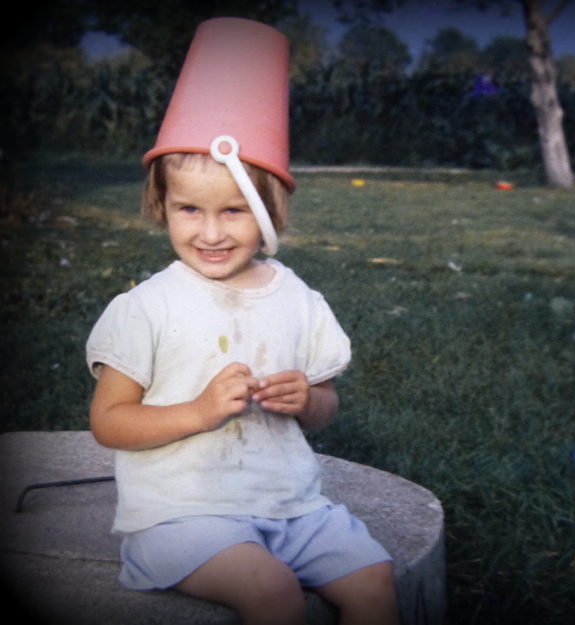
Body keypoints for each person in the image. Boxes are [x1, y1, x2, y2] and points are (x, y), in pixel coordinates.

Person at [86, 17, 399, 625]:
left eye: (233, 210)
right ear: (162, 206)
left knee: (374, 580)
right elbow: (109, 421)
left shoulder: (299, 298)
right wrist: (199, 412)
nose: (209, 232)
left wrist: (306, 399)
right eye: (187, 209)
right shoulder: (146, 307)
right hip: (181, 515)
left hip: (291, 506)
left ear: (271, 212)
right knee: (272, 593)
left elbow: (327, 406)